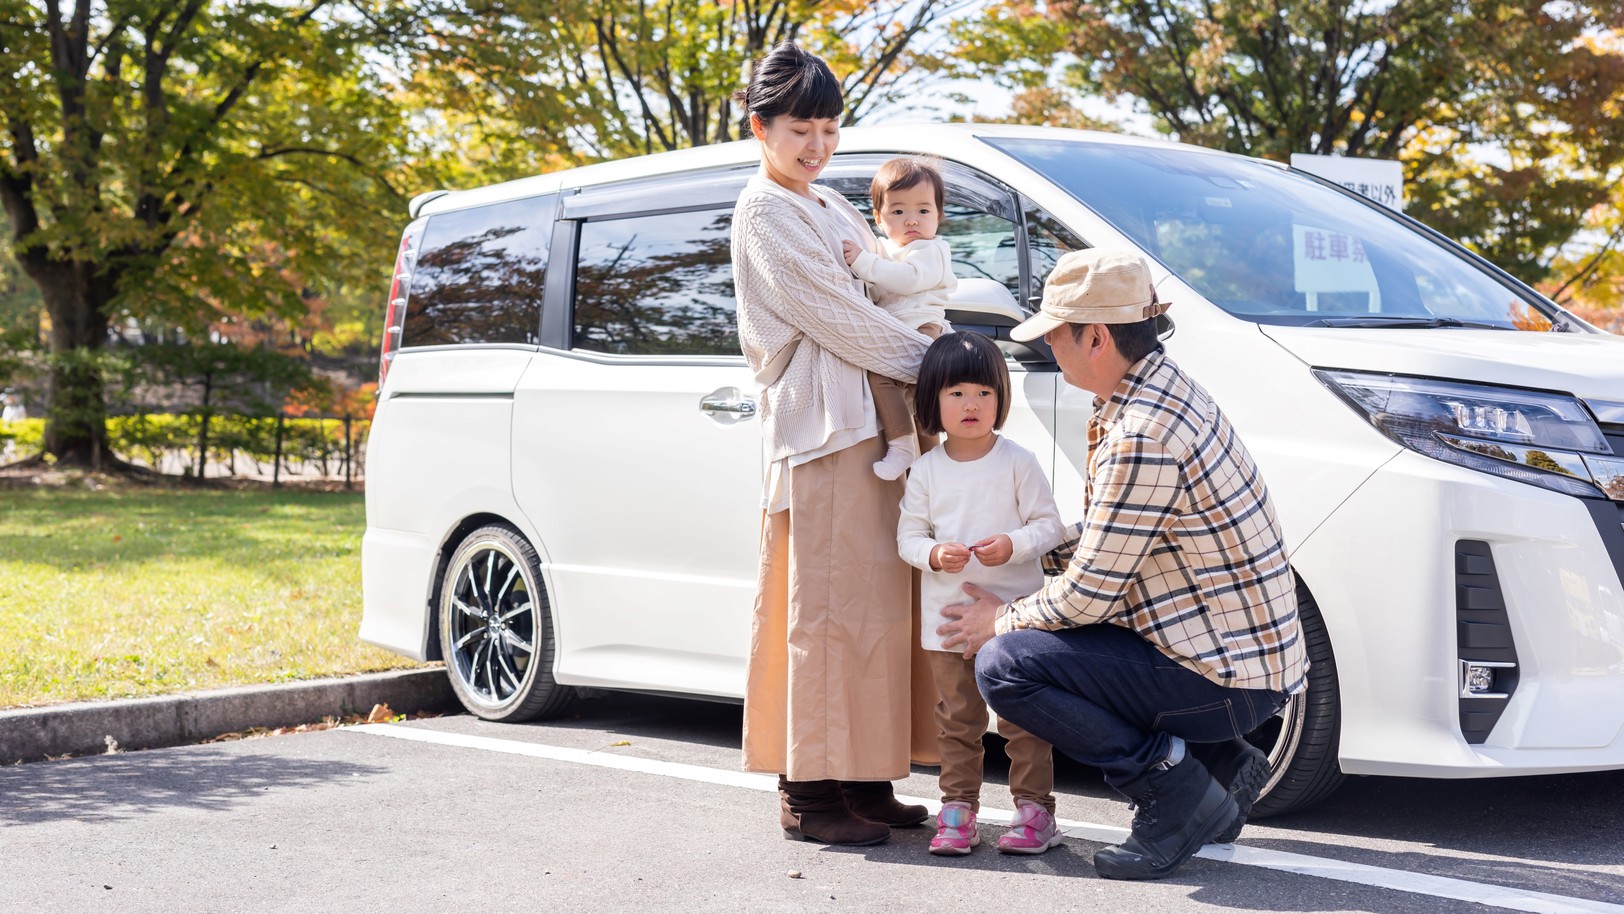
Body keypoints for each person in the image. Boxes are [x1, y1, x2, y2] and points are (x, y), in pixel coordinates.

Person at [938, 247, 1307, 880]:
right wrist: (1029, 546)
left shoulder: (1143, 432)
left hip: (1221, 682)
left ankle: (1175, 791)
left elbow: (1086, 599)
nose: (1050, 348)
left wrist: (997, 621)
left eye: (1055, 335)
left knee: (1007, 666)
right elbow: (1120, 535)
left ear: (1097, 337)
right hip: (1247, 668)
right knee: (1036, 643)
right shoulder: (1166, 392)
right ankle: (1220, 764)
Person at [729, 41, 939, 847]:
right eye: (799, 129)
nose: (817, 145)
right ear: (761, 127)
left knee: (878, 608)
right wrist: (944, 365)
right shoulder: (767, 209)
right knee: (822, 610)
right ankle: (809, 792)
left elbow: (895, 282)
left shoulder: (832, 205)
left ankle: (863, 775)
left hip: (871, 426)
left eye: (828, 127)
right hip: (822, 433)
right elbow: (840, 318)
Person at [896, 331, 1066, 857]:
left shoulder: (1017, 460)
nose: (972, 404)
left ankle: (1035, 811)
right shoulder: (924, 470)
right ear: (933, 402)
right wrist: (932, 554)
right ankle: (958, 810)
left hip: (1015, 622)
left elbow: (1050, 526)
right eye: (956, 394)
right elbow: (907, 538)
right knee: (957, 721)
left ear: (1000, 399)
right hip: (946, 622)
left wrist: (1012, 544)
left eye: (984, 393)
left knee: (1023, 720)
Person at [840, 156, 956, 480]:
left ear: (938, 216)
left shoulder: (929, 250)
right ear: (879, 217)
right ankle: (909, 447)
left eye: (923, 210)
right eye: (898, 211)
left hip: (923, 327)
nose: (912, 221)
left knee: (913, 389)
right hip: (898, 329)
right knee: (894, 387)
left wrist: (863, 263)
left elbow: (909, 279)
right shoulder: (882, 250)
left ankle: (918, 452)